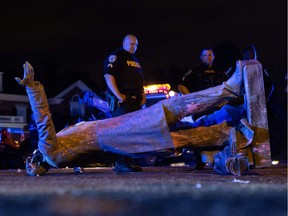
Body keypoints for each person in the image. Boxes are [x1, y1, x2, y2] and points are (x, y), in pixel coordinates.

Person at [15, 60, 252, 176]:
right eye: (30, 161)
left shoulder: (58, 158)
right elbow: (43, 119)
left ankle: (229, 133)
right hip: (114, 132)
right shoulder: (48, 150)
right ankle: (230, 90)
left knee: (178, 139)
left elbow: (95, 158)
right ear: (37, 161)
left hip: (116, 141)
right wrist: (33, 87)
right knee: (172, 108)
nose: (30, 158)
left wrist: (121, 161)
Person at [102, 34, 146, 172]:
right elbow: (109, 76)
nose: (134, 47)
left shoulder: (135, 60)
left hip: (134, 101)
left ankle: (129, 160)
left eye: (136, 44)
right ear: (124, 43)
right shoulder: (116, 56)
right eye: (132, 44)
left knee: (133, 132)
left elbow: (139, 80)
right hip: (122, 101)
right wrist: (119, 95)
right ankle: (120, 162)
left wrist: (142, 95)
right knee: (122, 131)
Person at [177, 47, 229, 122]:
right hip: (201, 108)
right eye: (205, 55)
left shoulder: (220, 72)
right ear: (201, 58)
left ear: (213, 57)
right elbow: (181, 86)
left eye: (210, 55)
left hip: (218, 107)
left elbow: (230, 87)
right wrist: (192, 99)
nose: (207, 57)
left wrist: (225, 100)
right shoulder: (194, 71)